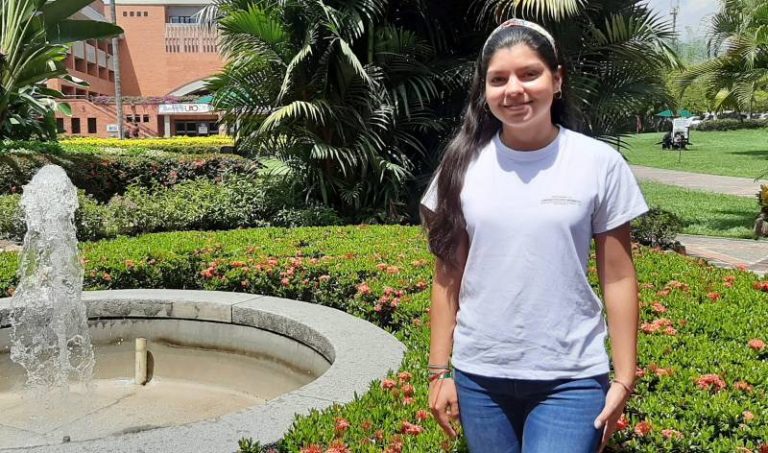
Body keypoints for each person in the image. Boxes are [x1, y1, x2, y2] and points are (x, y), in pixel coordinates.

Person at [420, 19, 648, 453]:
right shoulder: (461, 167)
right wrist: (438, 372)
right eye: (498, 79)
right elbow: (448, 276)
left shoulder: (598, 163)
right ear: (484, 90)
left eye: (530, 74)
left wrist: (624, 375)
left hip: (572, 377)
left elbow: (618, 276)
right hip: (480, 375)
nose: (514, 90)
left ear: (557, 79)